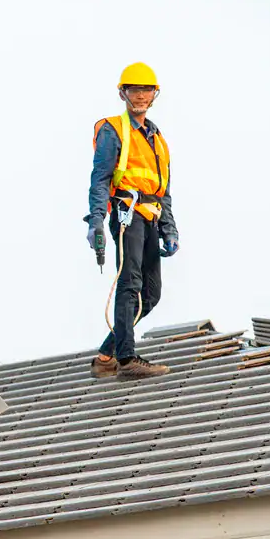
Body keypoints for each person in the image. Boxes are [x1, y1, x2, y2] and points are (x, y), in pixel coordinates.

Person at [85, 62, 180, 380]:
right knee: (130, 285)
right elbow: (100, 178)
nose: (140, 95)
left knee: (151, 294)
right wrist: (96, 221)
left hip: (151, 218)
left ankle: (106, 355)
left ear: (155, 94)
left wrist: (169, 229)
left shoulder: (157, 138)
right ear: (122, 93)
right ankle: (126, 359)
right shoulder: (114, 130)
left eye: (146, 89)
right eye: (134, 89)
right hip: (127, 216)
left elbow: (163, 189)